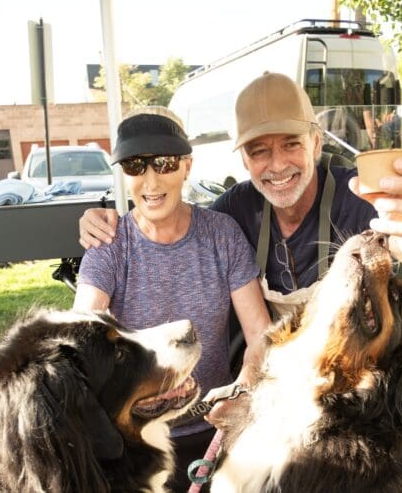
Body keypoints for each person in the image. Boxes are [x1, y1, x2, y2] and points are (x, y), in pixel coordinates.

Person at [79, 73, 402, 320]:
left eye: (290, 144)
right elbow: (178, 225)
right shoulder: (234, 208)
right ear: (244, 159)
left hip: (363, 383)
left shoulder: (358, 195)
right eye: (259, 150)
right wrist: (108, 219)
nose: (277, 166)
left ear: (314, 143)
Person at [73, 106, 271, 492]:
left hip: (215, 426)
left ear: (186, 167)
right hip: (139, 437)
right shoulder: (110, 245)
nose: (150, 180)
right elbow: (82, 334)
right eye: (135, 166)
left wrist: (242, 393)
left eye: (163, 164)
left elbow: (260, 332)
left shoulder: (222, 235)